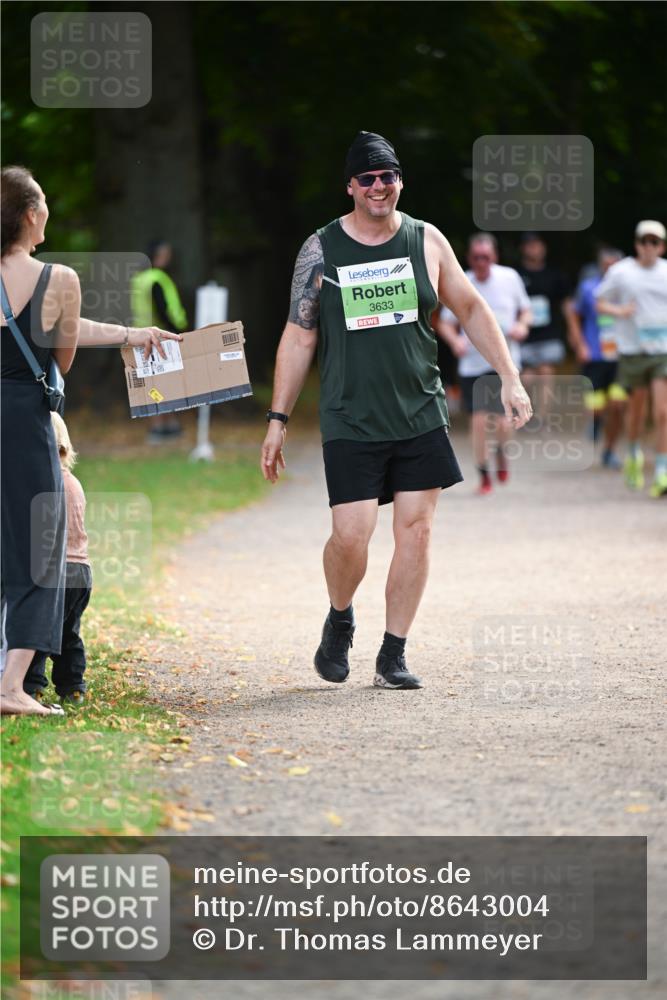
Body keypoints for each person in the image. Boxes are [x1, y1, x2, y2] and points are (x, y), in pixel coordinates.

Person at [260, 132, 532, 690]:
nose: (379, 187)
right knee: (351, 536)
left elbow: (472, 307)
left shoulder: (426, 240)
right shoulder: (321, 249)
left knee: (417, 532)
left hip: (418, 412)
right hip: (350, 415)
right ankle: (340, 616)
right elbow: (299, 335)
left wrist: (510, 375)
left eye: (388, 176)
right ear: (351, 187)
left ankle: (393, 653)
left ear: (399, 181)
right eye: (368, 178)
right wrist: (277, 420)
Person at [1, 164, 182, 716]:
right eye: (46, 203)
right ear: (32, 215)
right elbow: (62, 356)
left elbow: (77, 330)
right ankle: (11, 688)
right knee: (39, 547)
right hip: (22, 422)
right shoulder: (58, 280)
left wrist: (132, 334)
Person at [436, 233, 532, 494]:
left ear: (495, 257)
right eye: (477, 258)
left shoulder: (509, 277)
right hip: (472, 364)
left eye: (486, 257)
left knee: (503, 421)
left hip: (504, 362)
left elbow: (526, 309)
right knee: (479, 421)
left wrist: (522, 326)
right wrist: (455, 340)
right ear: (470, 258)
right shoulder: (462, 280)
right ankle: (483, 473)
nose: (481, 263)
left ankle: (501, 452)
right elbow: (445, 321)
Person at [594, 220, 667, 497]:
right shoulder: (622, 272)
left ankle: (661, 470)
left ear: (661, 246)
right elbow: (599, 301)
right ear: (636, 244)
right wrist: (621, 311)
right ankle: (634, 451)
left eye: (654, 242)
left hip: (662, 351)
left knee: (663, 412)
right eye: (644, 241)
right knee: (636, 412)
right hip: (633, 351)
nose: (648, 247)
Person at [23, 412, 92, 705]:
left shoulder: (41, 484)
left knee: (37, 631)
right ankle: (73, 686)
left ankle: (30, 686)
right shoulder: (73, 482)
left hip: (55, 571)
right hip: (81, 572)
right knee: (68, 633)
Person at [567, 247, 626, 468]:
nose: (610, 270)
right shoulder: (589, 287)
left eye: (615, 266)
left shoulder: (627, 287)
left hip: (621, 355)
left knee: (619, 405)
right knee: (597, 407)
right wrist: (580, 344)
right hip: (595, 354)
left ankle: (609, 451)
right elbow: (574, 313)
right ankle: (595, 422)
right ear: (601, 266)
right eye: (606, 265)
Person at [130, 240, 189, 443]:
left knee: (152, 383)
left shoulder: (139, 279)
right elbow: (164, 309)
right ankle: (165, 424)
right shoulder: (157, 279)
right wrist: (177, 331)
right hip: (161, 338)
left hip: (140, 338)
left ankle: (161, 424)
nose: (167, 258)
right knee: (166, 382)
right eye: (164, 254)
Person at [517, 232, 572, 420]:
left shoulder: (554, 275)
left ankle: (543, 418)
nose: (535, 249)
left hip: (549, 333)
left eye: (538, 245)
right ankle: (527, 412)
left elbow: (566, 304)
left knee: (546, 372)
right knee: (527, 378)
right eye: (531, 245)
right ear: (523, 249)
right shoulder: (516, 275)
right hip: (524, 334)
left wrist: (573, 330)